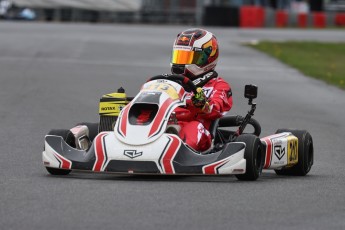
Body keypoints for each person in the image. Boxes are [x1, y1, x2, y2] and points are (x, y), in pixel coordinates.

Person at [170, 28, 233, 152]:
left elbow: (217, 108)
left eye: (187, 57)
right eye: (179, 56)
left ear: (207, 58)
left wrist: (203, 104)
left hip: (200, 130)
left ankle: (180, 150)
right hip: (168, 122)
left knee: (194, 126)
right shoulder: (169, 83)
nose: (181, 62)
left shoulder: (218, 85)